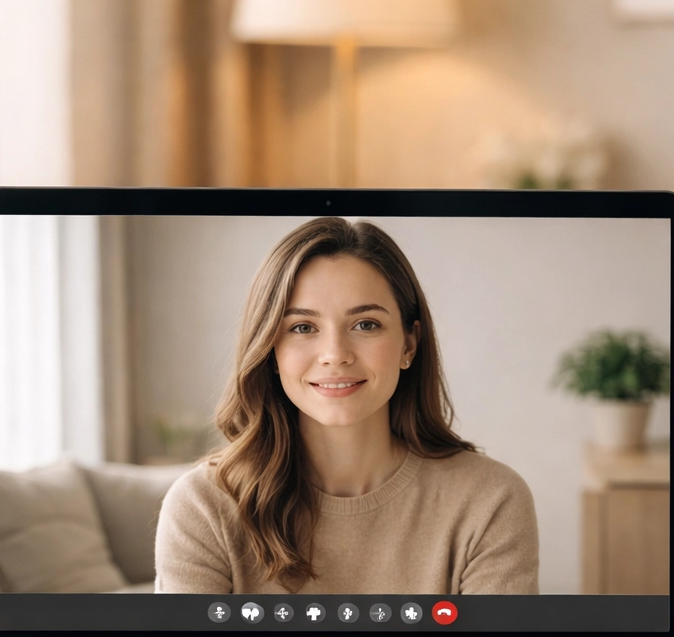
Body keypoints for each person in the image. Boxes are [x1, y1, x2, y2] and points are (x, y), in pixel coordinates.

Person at [154, 217, 539, 595]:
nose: (335, 354)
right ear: (270, 351)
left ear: (409, 344)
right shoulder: (202, 505)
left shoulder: (490, 499)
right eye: (303, 327)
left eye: (366, 324)